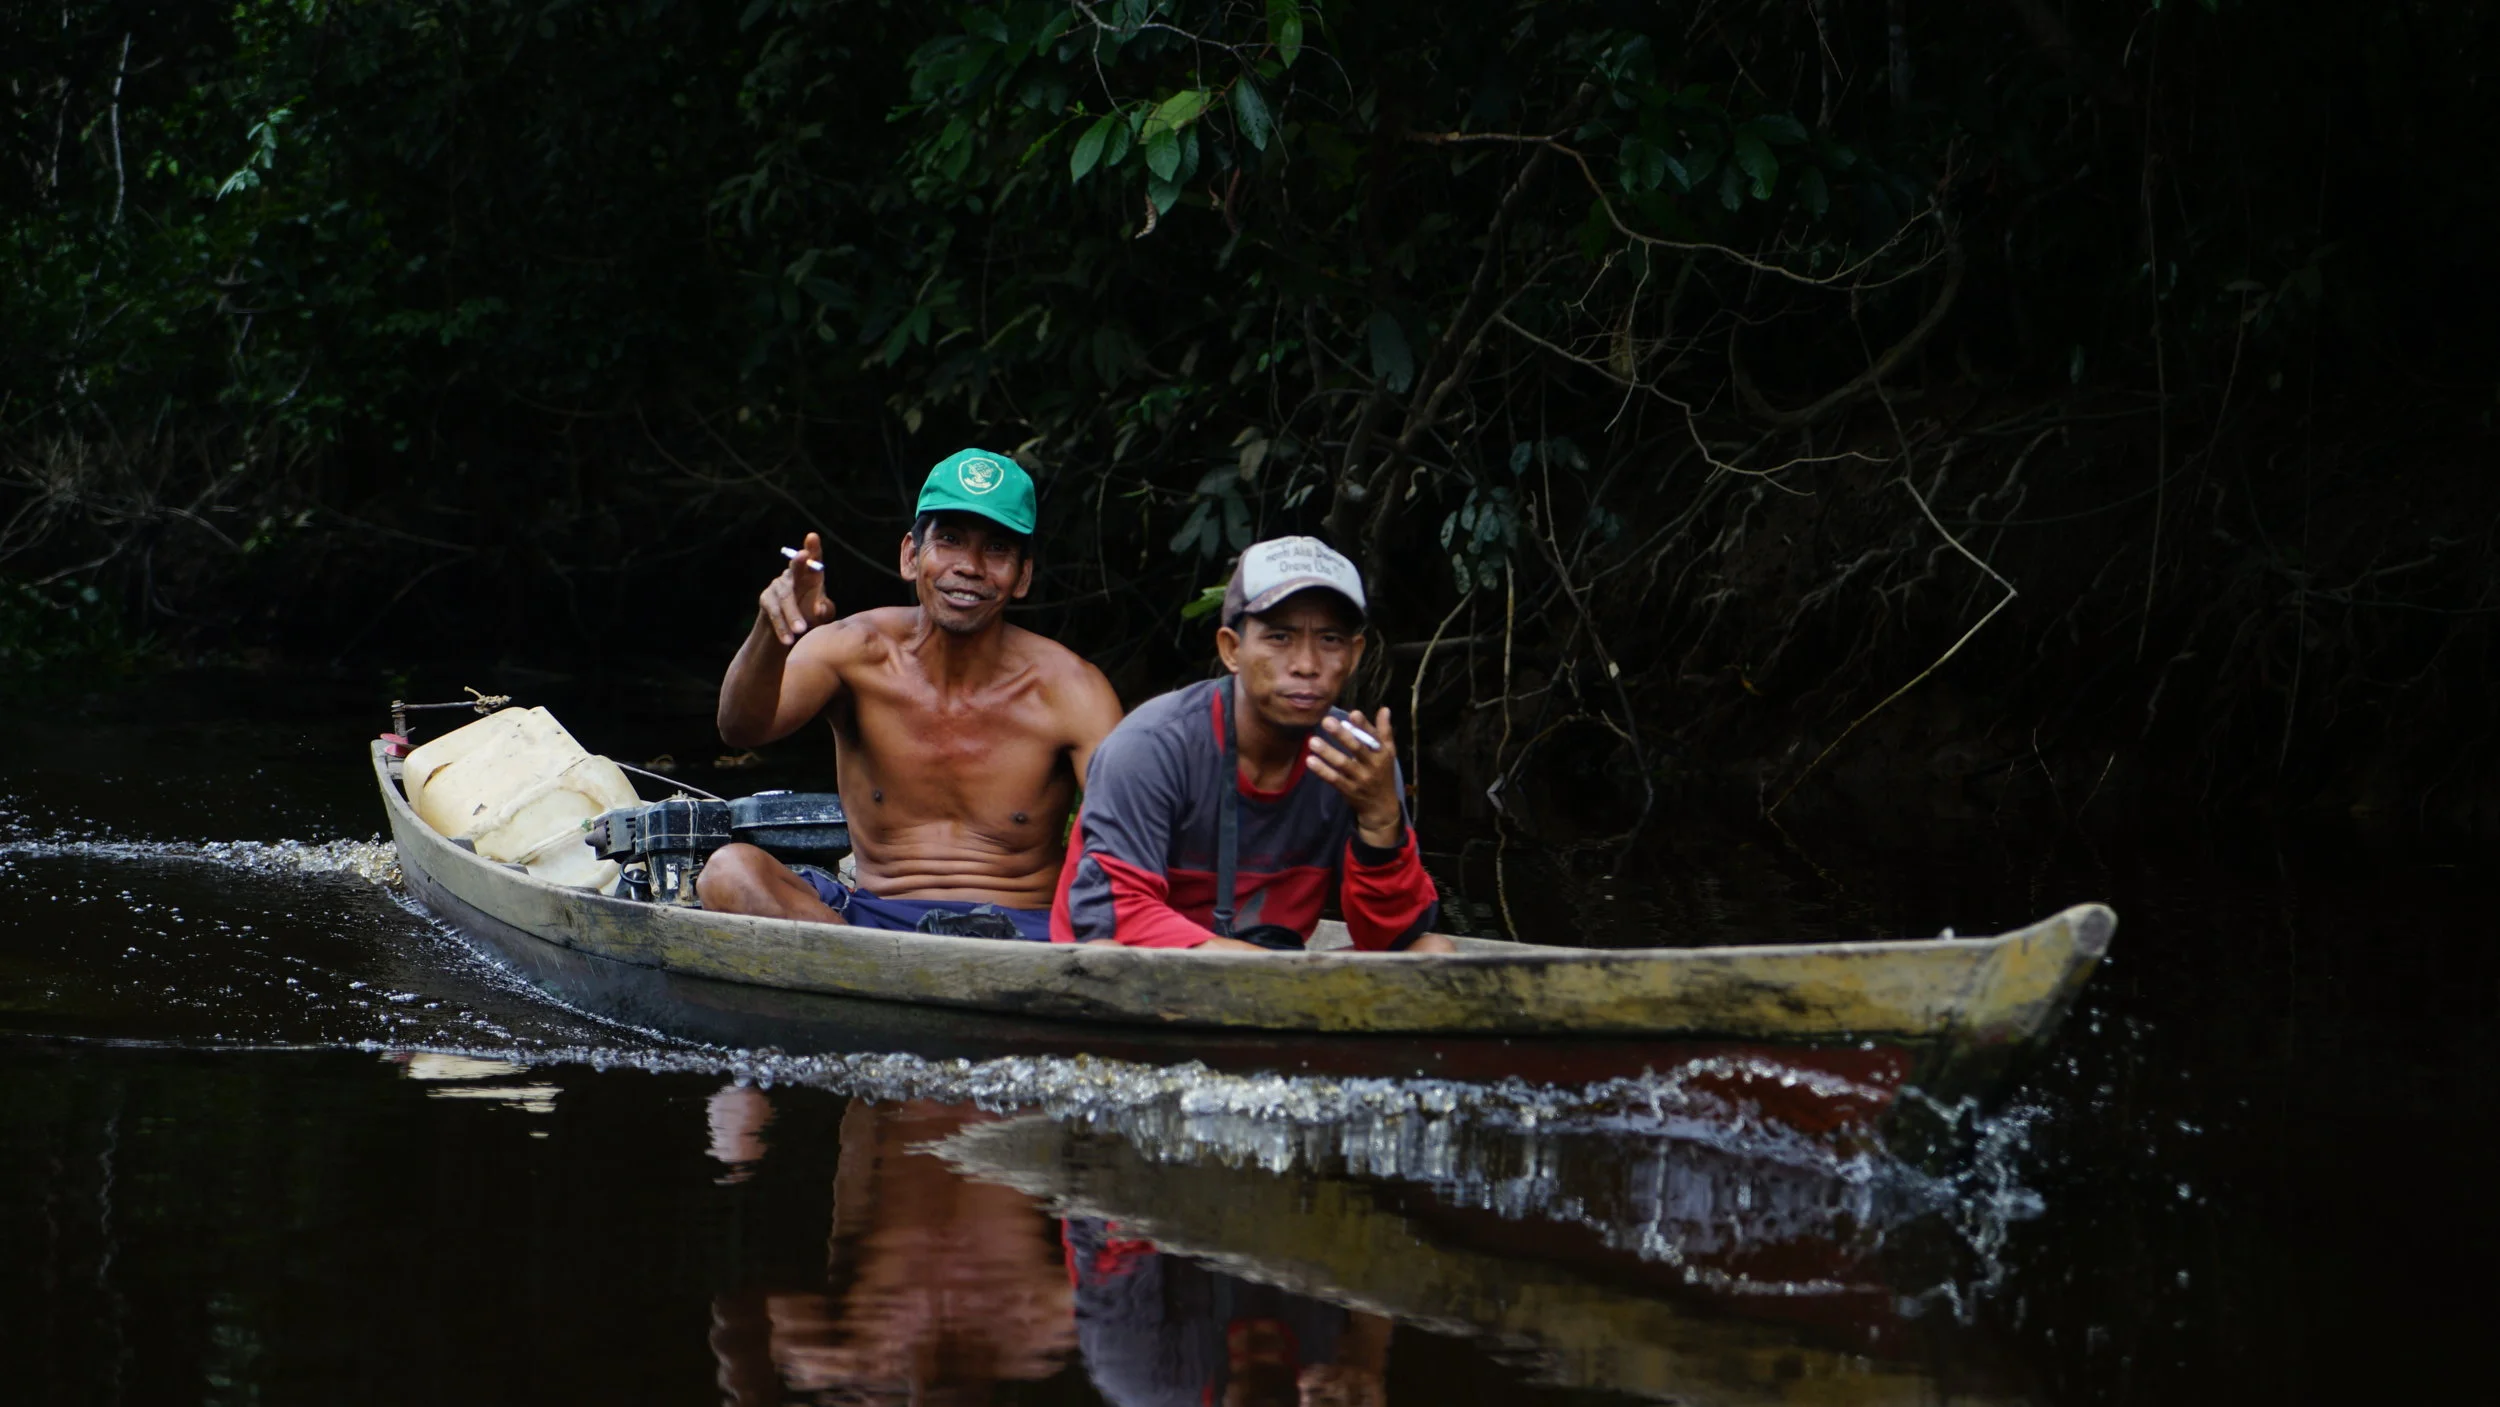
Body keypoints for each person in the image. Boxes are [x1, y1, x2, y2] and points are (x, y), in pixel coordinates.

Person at [697, 448, 1123, 940]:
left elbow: (1126, 841)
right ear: (910, 555)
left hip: (1022, 934)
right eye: (949, 540)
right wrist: (774, 630)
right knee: (728, 873)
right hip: (875, 925)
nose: (970, 566)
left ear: (1022, 575)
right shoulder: (855, 651)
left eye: (998, 549)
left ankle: (874, 990)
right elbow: (740, 727)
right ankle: (881, 982)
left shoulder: (1071, 689)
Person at [1051, 536, 1455, 953]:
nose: (1306, 665)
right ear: (1231, 649)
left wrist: (1380, 823)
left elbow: (1392, 934)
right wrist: (1253, 969)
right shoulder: (1151, 745)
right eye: (1280, 637)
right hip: (1152, 981)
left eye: (1330, 640)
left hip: (1273, 981)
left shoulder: (1354, 758)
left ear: (1354, 657)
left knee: (1431, 953)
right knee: (1106, 953)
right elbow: (1109, 914)